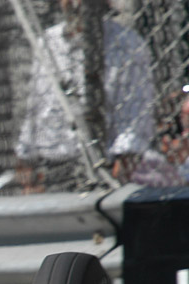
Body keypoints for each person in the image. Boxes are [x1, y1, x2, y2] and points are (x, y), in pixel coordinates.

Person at [15, 0, 154, 192]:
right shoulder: (48, 42)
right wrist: (26, 163)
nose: (75, 4)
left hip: (102, 168)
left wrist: (120, 172)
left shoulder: (128, 45)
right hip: (50, 168)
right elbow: (35, 109)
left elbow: (134, 122)